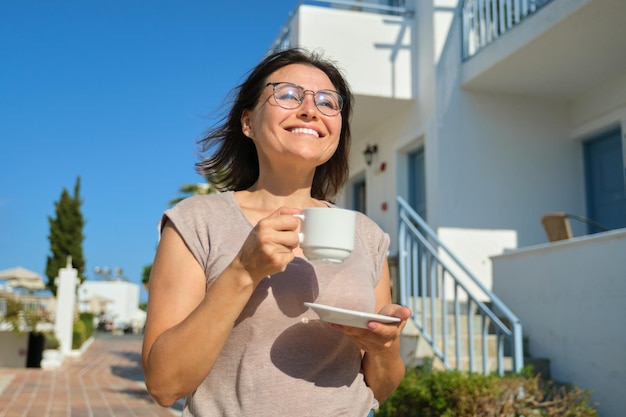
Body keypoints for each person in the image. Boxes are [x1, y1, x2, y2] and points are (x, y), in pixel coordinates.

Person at [141, 47, 411, 417]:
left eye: (328, 102)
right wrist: (244, 270)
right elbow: (164, 385)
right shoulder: (196, 222)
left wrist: (385, 348)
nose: (310, 109)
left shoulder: (366, 234)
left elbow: (380, 387)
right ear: (248, 122)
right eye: (287, 94)